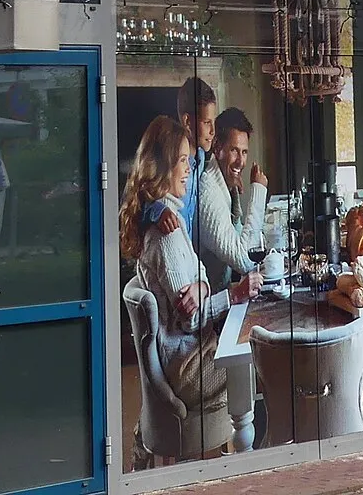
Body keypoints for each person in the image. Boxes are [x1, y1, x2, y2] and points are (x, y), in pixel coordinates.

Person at [120, 116, 255, 457]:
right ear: (163, 165)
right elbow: (190, 320)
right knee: (262, 359)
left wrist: (205, 287)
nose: (189, 169)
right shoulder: (166, 234)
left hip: (188, 353)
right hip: (189, 366)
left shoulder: (169, 217)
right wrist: (234, 294)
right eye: (183, 160)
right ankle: (251, 457)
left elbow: (200, 281)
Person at [196, 108, 268, 291]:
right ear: (217, 147)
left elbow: (238, 240)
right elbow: (245, 260)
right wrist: (258, 191)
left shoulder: (222, 183)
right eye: (234, 150)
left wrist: (232, 191)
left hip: (227, 293)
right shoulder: (208, 192)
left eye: (244, 152)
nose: (240, 162)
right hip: (213, 309)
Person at [168, 77, 217, 241]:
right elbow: (141, 197)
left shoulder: (201, 157)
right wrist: (157, 211)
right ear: (187, 121)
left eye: (213, 122)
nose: (213, 131)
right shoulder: (170, 160)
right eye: (207, 122)